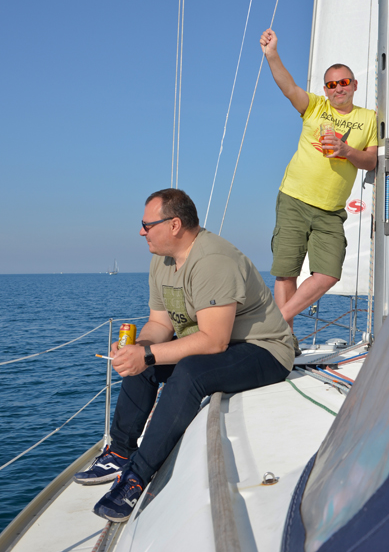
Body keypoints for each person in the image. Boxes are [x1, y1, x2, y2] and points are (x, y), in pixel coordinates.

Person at [74, 188, 294, 522]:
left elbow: (214, 342)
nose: (141, 232)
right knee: (145, 359)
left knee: (190, 372)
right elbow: (159, 325)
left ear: (174, 225)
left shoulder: (213, 260)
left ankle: (136, 477)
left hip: (265, 350)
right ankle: (119, 452)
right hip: (221, 345)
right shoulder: (162, 261)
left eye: (147, 225)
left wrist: (148, 355)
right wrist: (139, 349)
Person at [260, 29, 378, 352]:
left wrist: (345, 150)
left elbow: (371, 161)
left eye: (344, 82)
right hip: (294, 198)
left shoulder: (369, 119)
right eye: (332, 84)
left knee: (328, 273)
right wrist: (272, 55)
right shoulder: (314, 107)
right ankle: (284, 342)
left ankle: (275, 323)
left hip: (331, 210)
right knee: (286, 273)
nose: (338, 88)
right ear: (325, 90)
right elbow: (288, 86)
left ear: (355, 85)